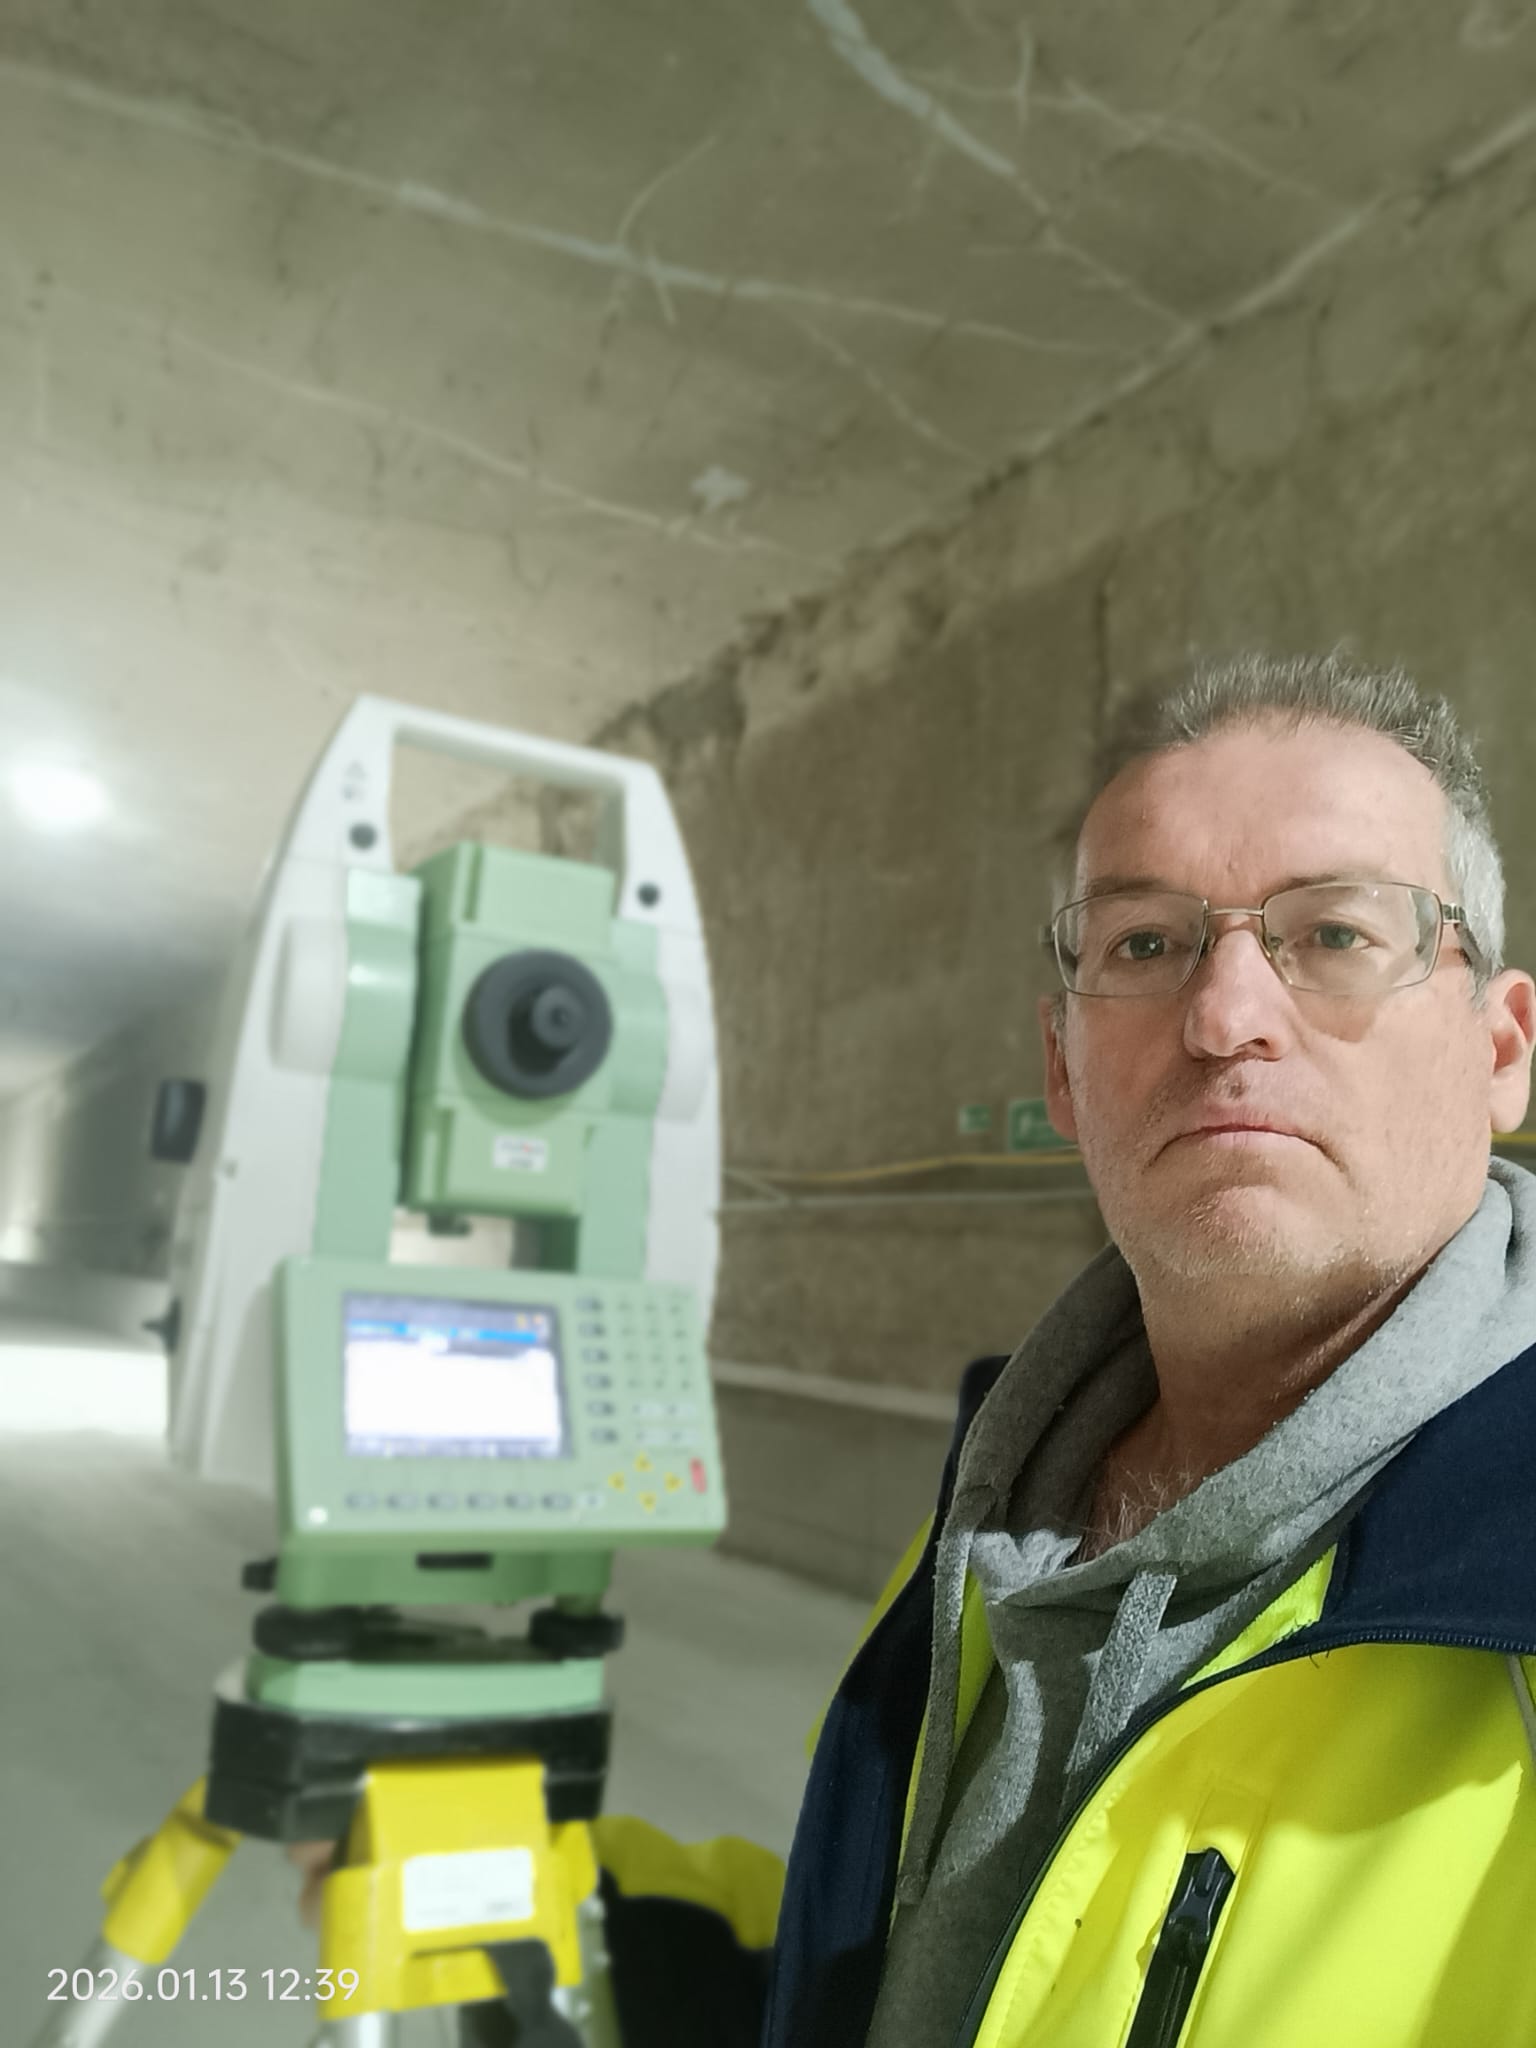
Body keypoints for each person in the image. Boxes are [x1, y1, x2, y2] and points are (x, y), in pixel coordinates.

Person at [298, 651, 1536, 2048]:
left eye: (1334, 934)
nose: (1225, 1014)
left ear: (1502, 1049)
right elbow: (927, 1964)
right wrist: (563, 1900)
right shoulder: (1001, 1503)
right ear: (1064, 1070)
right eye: (1143, 943)